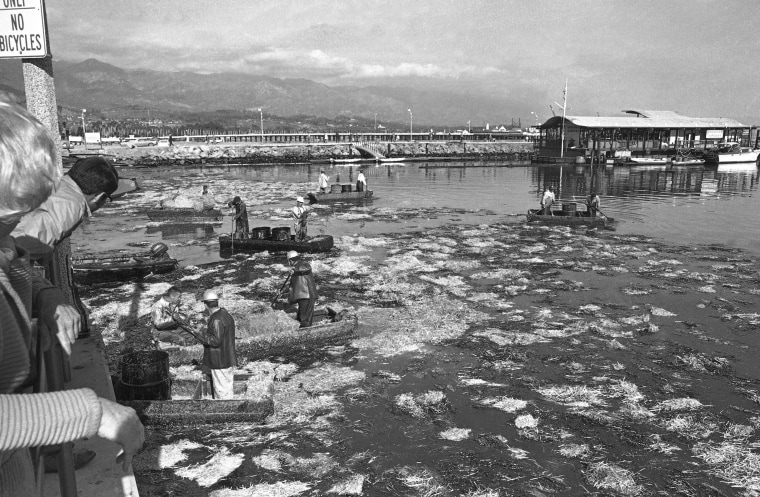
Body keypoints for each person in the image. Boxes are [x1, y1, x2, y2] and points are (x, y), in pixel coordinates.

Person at [0, 99, 144, 494]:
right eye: (11, 217)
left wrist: (44, 294)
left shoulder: (6, 249)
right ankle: (50, 453)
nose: (13, 239)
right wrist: (89, 413)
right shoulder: (53, 215)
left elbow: (15, 257)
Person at [12, 156, 119, 260]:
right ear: (100, 197)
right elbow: (22, 245)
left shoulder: (54, 183)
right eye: (107, 198)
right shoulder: (72, 207)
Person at [194, 289, 236, 399]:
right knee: (226, 386)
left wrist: (200, 335)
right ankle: (228, 407)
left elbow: (215, 341)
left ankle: (224, 411)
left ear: (206, 304)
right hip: (227, 358)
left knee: (221, 389)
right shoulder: (225, 314)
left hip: (219, 360)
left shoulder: (216, 319)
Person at [287, 251, 319, 328]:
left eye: (288, 261)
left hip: (307, 295)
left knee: (305, 321)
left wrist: (295, 269)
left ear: (290, 260)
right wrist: (282, 291)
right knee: (299, 318)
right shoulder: (295, 269)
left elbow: (308, 267)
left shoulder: (302, 264)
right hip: (302, 296)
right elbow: (292, 285)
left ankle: (306, 335)